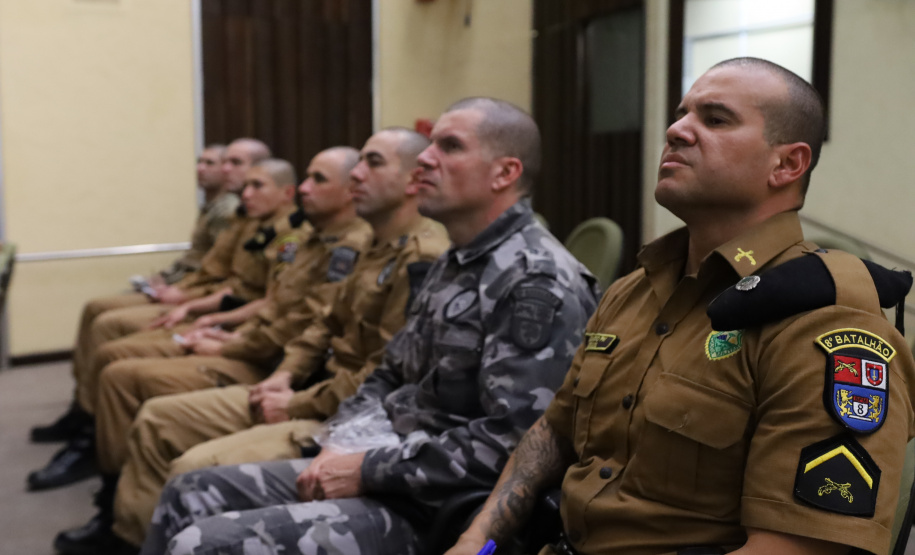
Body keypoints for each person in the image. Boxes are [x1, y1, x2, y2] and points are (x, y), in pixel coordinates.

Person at [444, 58, 915, 555]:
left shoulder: (820, 324)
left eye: (715, 119)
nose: (677, 130)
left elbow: (800, 549)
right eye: (680, 114)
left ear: (787, 165)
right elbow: (555, 431)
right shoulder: (634, 290)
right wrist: (475, 540)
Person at [139, 97, 601, 555]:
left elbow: (515, 444)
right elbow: (388, 370)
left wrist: (367, 468)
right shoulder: (457, 261)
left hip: (436, 506)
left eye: (450, 146)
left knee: (202, 544)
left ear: (505, 173)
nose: (425, 158)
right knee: (189, 491)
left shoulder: (535, 280)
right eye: (430, 145)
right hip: (388, 460)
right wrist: (342, 443)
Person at [56, 127, 451, 555]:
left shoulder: (417, 255)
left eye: (372, 163)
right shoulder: (366, 243)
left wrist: (287, 392)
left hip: (344, 414)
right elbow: (319, 324)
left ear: (413, 179)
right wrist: (283, 375)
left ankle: (134, 526)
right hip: (306, 385)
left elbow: (382, 374)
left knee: (188, 463)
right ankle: (121, 526)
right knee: (153, 414)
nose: (357, 173)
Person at [27, 154, 298, 492]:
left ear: (287, 192)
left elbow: (273, 306)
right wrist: (186, 296)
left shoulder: (292, 236)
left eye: (256, 184)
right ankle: (87, 427)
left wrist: (211, 320)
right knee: (107, 335)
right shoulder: (253, 222)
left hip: (252, 339)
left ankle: (101, 461)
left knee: (116, 357)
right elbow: (218, 274)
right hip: (234, 320)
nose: (245, 192)